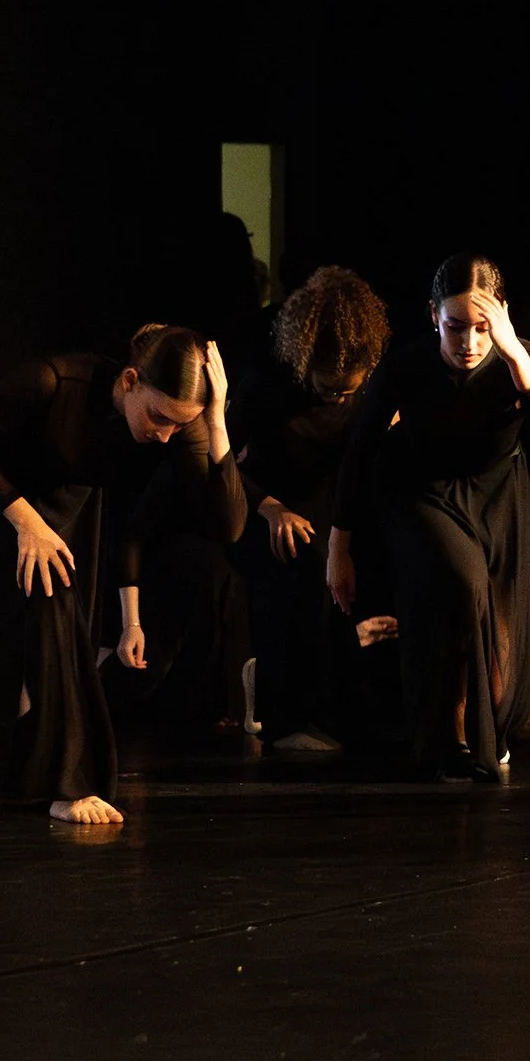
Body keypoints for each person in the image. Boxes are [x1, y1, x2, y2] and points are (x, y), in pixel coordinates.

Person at [0, 325, 244, 823]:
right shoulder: (54, 381)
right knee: (30, 603)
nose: (164, 435)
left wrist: (217, 419)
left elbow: (227, 525)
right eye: (159, 417)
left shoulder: (178, 421)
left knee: (49, 622)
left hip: (59, 505)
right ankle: (66, 786)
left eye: (178, 425)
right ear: (130, 381)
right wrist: (25, 522)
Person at [326, 254, 530, 780]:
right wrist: (338, 547)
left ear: (502, 314)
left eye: (482, 326)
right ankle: (451, 739)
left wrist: (514, 356)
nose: (470, 342)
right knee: (463, 582)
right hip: (420, 493)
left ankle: (483, 734)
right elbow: (359, 454)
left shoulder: (527, 362)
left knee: (499, 640)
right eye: (455, 326)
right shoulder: (406, 367)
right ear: (434, 314)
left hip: (498, 498)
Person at [231, 266, 394, 752]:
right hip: (268, 501)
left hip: (336, 501)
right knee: (306, 560)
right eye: (328, 389)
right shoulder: (266, 385)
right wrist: (270, 508)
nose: (339, 397)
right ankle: (293, 716)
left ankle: (361, 713)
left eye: (348, 390)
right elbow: (219, 463)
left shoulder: (370, 387)